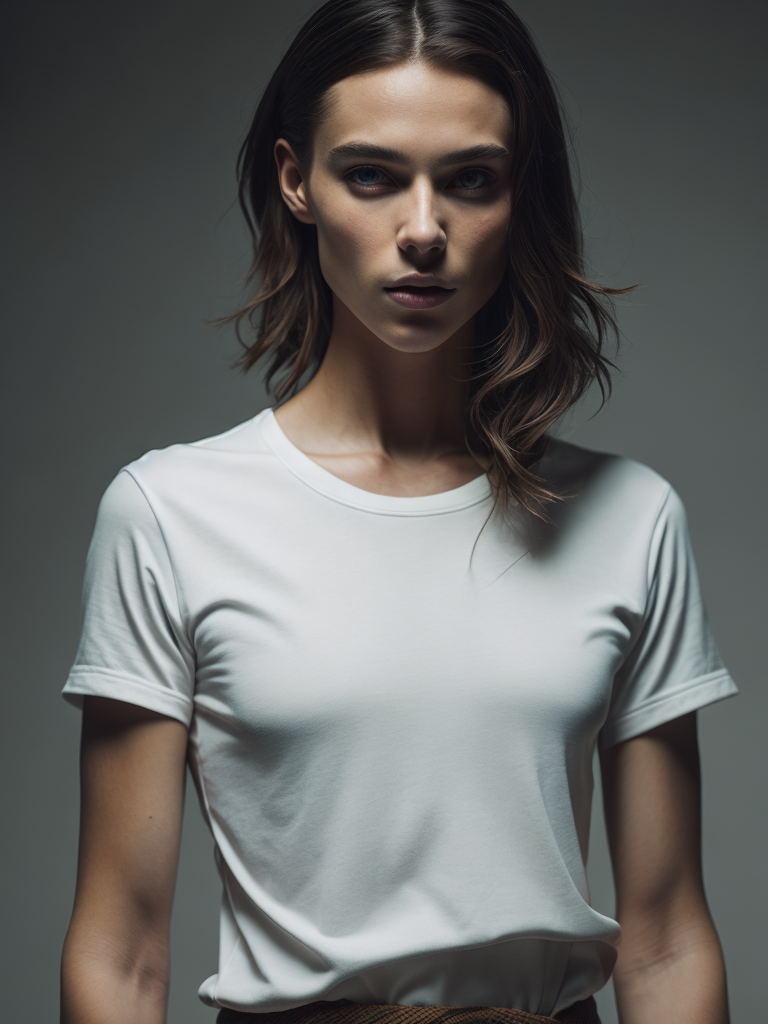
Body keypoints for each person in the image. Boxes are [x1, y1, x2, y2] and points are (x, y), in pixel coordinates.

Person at [59, 2, 739, 1023]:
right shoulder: (168, 514)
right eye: (373, 175)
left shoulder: (630, 517)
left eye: (470, 180)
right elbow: (119, 954)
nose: (423, 231)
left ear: (518, 193)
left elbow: (670, 941)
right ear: (296, 180)